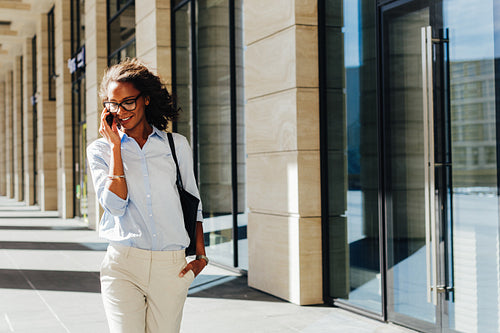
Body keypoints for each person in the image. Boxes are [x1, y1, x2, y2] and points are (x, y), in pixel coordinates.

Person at [87, 58, 208, 333]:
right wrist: (116, 148)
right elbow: (115, 206)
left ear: (146, 100)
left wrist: (200, 257)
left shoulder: (175, 145)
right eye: (112, 104)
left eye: (128, 102)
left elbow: (193, 201)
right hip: (123, 264)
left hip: (171, 267)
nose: (120, 111)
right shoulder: (100, 151)